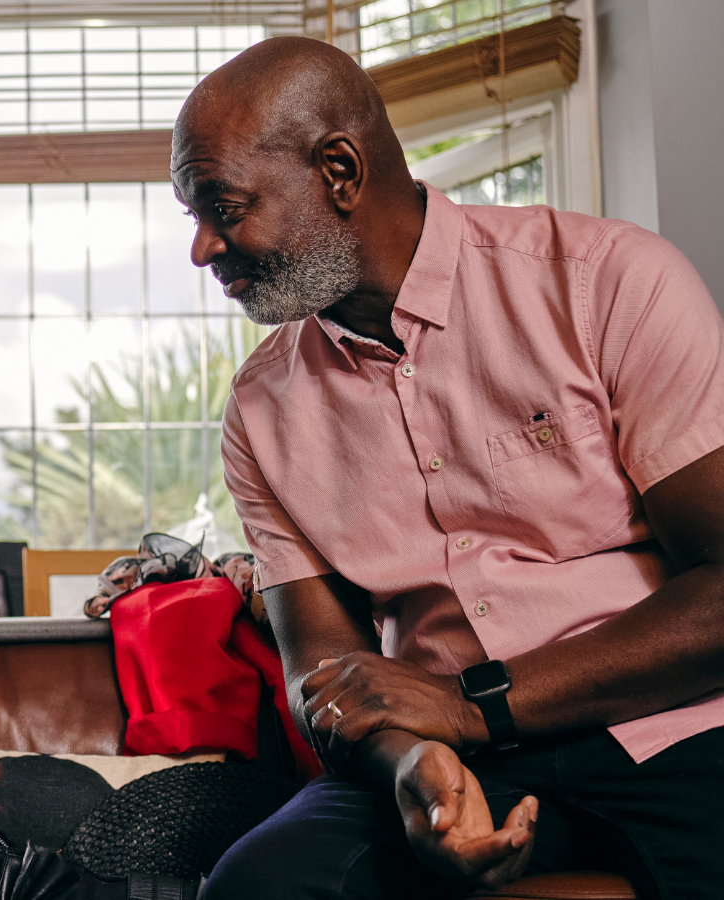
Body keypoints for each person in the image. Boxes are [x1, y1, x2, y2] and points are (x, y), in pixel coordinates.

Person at [180, 37, 724, 900]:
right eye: (193, 217)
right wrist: (411, 763)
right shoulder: (260, 409)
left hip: (674, 728)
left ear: (340, 171)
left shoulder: (609, 283)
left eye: (225, 206)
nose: (203, 249)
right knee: (255, 888)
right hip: (449, 755)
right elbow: (324, 676)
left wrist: (473, 704)